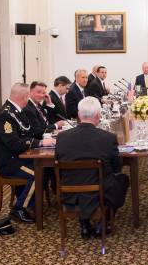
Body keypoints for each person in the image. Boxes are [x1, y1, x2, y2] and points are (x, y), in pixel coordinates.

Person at [55, 97, 129, 239]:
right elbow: (116, 168)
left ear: (78, 114)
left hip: (70, 193)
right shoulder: (108, 138)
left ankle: (84, 224)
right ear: (98, 115)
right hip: (100, 194)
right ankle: (103, 222)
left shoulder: (62, 137)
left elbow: (57, 163)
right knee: (123, 180)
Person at [0, 83, 55, 223]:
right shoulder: (4, 116)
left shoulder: (17, 111)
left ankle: (29, 200)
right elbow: (14, 144)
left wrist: (42, 140)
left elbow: (28, 132)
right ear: (25, 97)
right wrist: (40, 143)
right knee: (38, 172)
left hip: (22, 156)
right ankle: (19, 208)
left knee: (46, 166)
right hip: (10, 162)